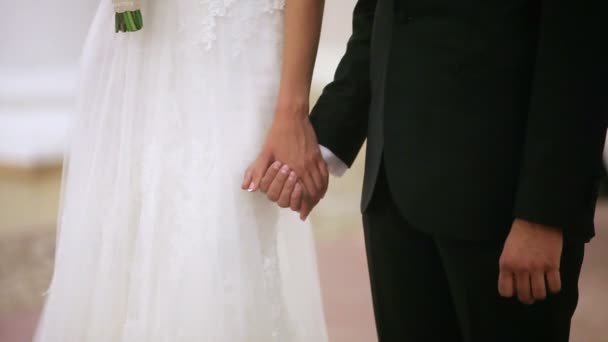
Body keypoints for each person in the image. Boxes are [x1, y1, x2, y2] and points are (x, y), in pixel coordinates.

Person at [249, 0, 608, 341]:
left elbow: (582, 46)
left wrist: (544, 214)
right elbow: (383, 13)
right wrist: (323, 140)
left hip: (501, 200)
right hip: (392, 193)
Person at [34, 1, 329, 341]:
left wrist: (292, 109)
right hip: (140, 51)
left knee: (221, 238)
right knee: (122, 237)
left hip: (236, 41)